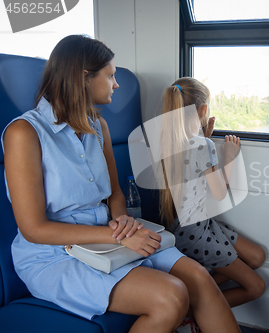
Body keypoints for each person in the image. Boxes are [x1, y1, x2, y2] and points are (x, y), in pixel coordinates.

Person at [2, 35, 241, 333]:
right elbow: (34, 229)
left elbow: (115, 193)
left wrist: (122, 221)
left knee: (199, 277)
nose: (116, 84)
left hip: (108, 237)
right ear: (84, 77)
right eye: (111, 75)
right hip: (53, 255)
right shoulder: (25, 132)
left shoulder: (98, 126)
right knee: (171, 295)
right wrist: (117, 237)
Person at [158, 77, 266, 308]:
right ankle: (191, 311)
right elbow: (219, 194)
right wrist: (229, 155)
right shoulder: (201, 146)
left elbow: (191, 172)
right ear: (204, 109)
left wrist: (205, 137)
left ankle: (201, 292)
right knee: (257, 287)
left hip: (187, 227)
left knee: (257, 257)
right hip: (196, 233)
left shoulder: (169, 142)